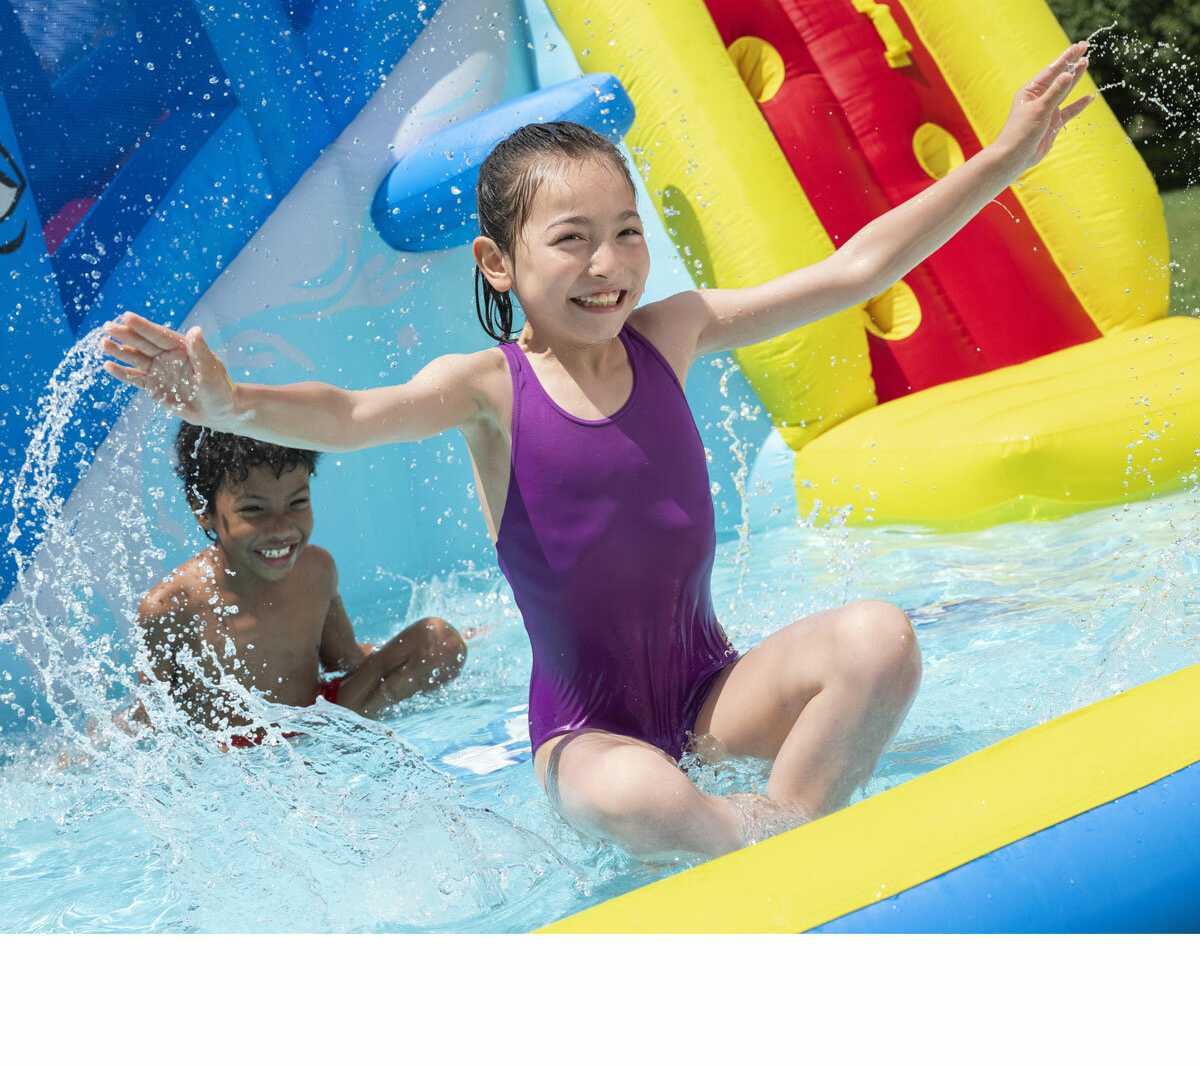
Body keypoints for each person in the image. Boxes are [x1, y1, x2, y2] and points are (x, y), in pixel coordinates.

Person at [103, 42, 1094, 853]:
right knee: (645, 798)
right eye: (572, 239)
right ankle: (745, 843)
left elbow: (858, 265)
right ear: (498, 260)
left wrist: (1001, 160)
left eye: (626, 232)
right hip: (591, 740)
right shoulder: (489, 391)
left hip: (714, 698)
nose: (609, 264)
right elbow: (352, 417)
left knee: (880, 638)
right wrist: (229, 399)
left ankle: (785, 833)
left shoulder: (675, 332)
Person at [127, 422, 466, 748]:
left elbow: (344, 661)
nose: (281, 528)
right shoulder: (171, 606)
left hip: (317, 722)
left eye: (297, 503)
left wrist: (392, 653)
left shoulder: (316, 570)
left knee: (439, 642)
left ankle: (346, 739)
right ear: (202, 508)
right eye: (253, 509)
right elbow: (152, 716)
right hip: (233, 753)